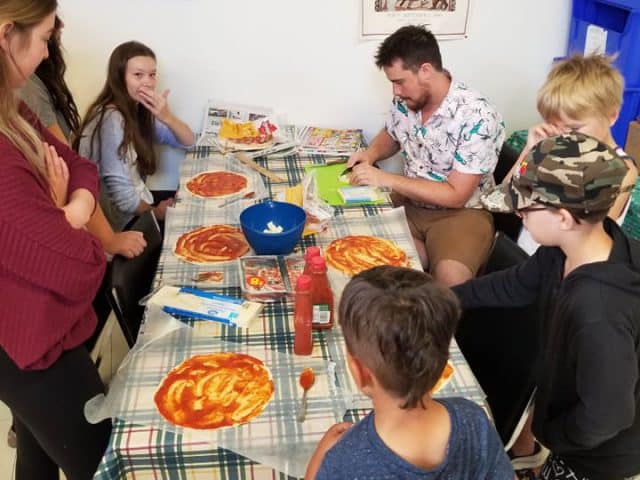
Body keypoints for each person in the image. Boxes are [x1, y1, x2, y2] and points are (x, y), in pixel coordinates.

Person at [454, 132, 640, 480]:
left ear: (565, 217)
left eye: (526, 206)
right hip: (572, 427)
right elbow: (515, 284)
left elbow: (609, 414)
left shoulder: (598, 311)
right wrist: (450, 297)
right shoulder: (563, 249)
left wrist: (555, 436)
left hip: (597, 460)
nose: (519, 214)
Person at [0, 1, 112, 478]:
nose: (49, 53)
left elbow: (80, 166)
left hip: (34, 332)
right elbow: (84, 266)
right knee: (103, 462)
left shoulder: (13, 108)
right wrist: (66, 213)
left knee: (36, 460)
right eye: (45, 38)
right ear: (7, 36)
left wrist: (70, 207)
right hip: (30, 345)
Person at [306, 266, 515, 479]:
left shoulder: (342, 462)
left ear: (361, 373)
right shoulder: (474, 421)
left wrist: (320, 457)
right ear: (443, 364)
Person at [347, 25, 505, 287]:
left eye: (399, 82)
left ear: (426, 70)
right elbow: (393, 133)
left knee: (449, 281)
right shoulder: (407, 100)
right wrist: (370, 153)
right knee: (364, 253)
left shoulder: (478, 116)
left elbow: (456, 195)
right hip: (410, 203)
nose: (395, 92)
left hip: (462, 213)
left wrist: (386, 179)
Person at [18, 16, 147, 259]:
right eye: (47, 36)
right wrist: (108, 239)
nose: (49, 51)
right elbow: (68, 164)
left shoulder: (33, 86)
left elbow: (73, 165)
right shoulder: (27, 88)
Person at [509, 54, 638, 255]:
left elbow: (593, 236)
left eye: (574, 128)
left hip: (563, 269)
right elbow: (508, 197)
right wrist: (529, 152)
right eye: (555, 126)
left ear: (611, 116)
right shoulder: (552, 147)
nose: (563, 137)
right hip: (526, 255)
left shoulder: (621, 168)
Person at [75, 40, 195, 231]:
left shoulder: (137, 108)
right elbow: (121, 195)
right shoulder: (111, 119)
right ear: (119, 77)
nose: (148, 82)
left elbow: (189, 142)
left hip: (139, 205)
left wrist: (167, 117)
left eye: (152, 75)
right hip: (118, 224)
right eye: (138, 75)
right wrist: (156, 212)